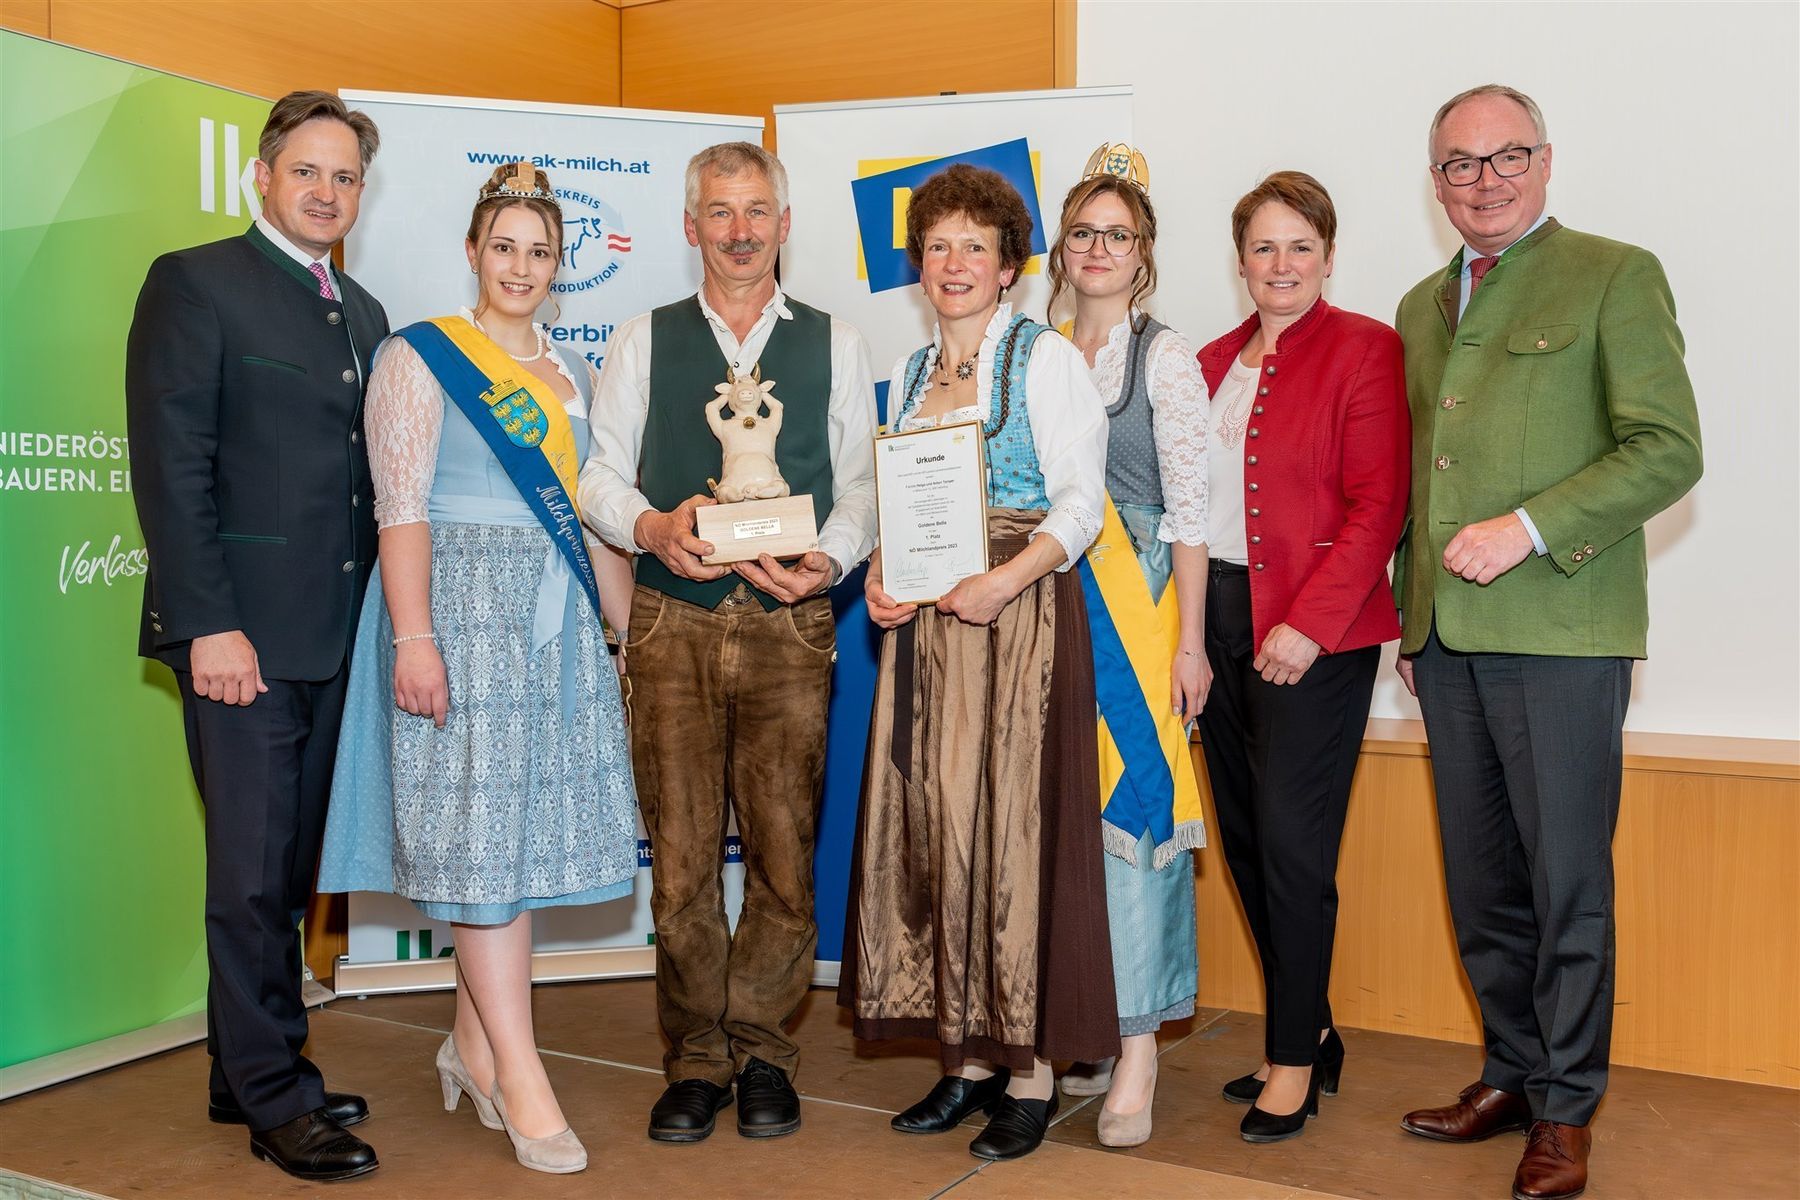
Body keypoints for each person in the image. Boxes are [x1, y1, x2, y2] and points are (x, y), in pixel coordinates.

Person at [1393, 85, 1702, 1200]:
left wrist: (1526, 528)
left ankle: (1567, 1110)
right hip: (1447, 643)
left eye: (1505, 156)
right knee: (1482, 885)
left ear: (1545, 160)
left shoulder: (1616, 274)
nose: (1484, 181)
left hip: (1564, 636)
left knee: (1567, 882)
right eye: (1459, 164)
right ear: (1436, 182)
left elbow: (1667, 449)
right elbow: (1419, 476)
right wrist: (1411, 616)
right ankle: (1512, 1075)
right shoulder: (1420, 305)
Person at [316, 163, 639, 1175]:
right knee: (483, 845)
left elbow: (589, 516)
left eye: (540, 251)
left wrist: (626, 636)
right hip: (459, 615)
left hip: (554, 625)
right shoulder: (421, 356)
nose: (521, 267)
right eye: (504, 246)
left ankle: (470, 1045)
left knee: (510, 845)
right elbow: (400, 509)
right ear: (472, 251)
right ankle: (523, 1075)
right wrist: (414, 639)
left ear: (559, 265)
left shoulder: (573, 373)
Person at [577, 141, 879, 1144]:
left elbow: (862, 484)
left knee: (786, 855)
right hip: (674, 619)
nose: (740, 232)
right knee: (681, 862)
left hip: (792, 622)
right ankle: (696, 1061)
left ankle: (763, 1055)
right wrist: (651, 526)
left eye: (757, 212)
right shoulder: (642, 339)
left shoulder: (837, 342)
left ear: (785, 225)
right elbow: (598, 476)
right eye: (720, 212)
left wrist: (830, 562)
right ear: (690, 225)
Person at [124, 91, 388, 1182]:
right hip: (239, 641)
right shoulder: (195, 283)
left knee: (281, 872)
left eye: (345, 177)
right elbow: (171, 467)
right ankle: (280, 1097)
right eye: (307, 171)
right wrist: (209, 625)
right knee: (245, 876)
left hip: (334, 641)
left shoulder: (363, 311)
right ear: (263, 176)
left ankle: (242, 1070)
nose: (326, 192)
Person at [841, 162, 1118, 1163]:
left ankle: (1029, 1073)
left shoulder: (1044, 360)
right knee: (938, 830)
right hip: (927, 632)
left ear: (1009, 268)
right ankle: (964, 1060)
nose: (953, 263)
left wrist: (1003, 582)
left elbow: (1081, 507)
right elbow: (902, 506)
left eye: (975, 246)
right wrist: (882, 576)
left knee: (1011, 839)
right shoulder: (911, 372)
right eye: (937, 245)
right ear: (919, 264)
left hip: (1017, 622)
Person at [1192, 171, 1410, 1144]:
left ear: (1327, 255)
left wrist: (1310, 622)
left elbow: (1380, 502)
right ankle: (1309, 1029)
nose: (1281, 264)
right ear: (1240, 260)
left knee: (1292, 845)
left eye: (1300, 246)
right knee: (1244, 839)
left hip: (1313, 634)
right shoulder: (1209, 361)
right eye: (1264, 247)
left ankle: (1291, 1064)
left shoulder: (1366, 348)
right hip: (1217, 620)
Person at [1046, 146, 1210, 1148]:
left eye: (1119, 234)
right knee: (1064, 818)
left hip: (1137, 606)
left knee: (1136, 815)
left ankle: (1140, 1045)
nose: (1100, 248)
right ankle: (1093, 1018)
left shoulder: (1166, 358)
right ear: (1060, 249)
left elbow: (1191, 515)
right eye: (1084, 232)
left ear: (1143, 254)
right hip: (1048, 605)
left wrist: (1190, 645)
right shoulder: (1035, 350)